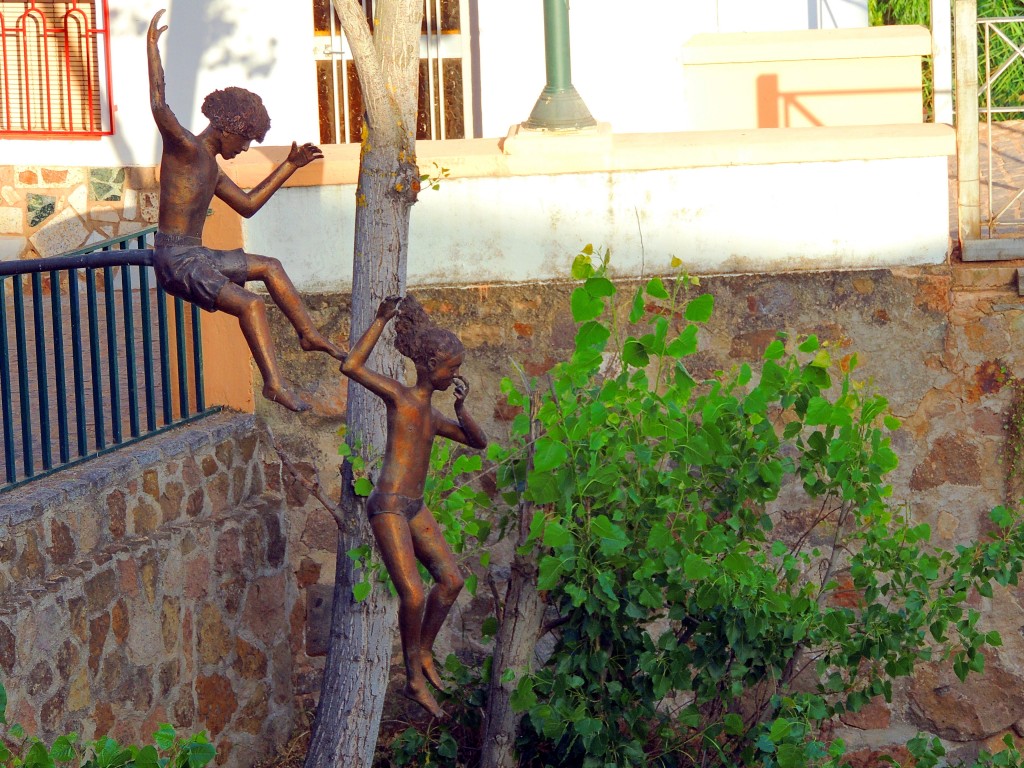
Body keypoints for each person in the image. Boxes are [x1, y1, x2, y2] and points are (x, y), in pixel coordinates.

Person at [147, 9, 345, 412]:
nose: (245, 149)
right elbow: (158, 103)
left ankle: (307, 334)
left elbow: (249, 206)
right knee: (251, 304)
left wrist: (289, 165)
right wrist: (152, 46)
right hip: (176, 260)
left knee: (269, 266)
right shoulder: (184, 149)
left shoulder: (213, 172)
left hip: (195, 255)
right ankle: (274, 383)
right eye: (245, 140)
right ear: (225, 128)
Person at [341, 294, 487, 718]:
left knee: (452, 582)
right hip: (387, 505)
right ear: (429, 366)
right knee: (414, 593)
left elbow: (478, 442)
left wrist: (462, 408)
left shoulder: (434, 415)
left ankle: (423, 650)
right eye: (451, 369)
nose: (455, 375)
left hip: (414, 506)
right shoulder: (402, 398)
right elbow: (350, 367)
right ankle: (413, 680)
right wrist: (381, 320)